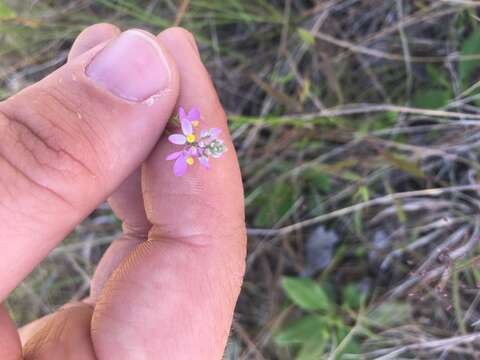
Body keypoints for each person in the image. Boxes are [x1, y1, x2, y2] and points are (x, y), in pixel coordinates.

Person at [0, 24, 246, 359]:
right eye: (192, 140)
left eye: (194, 141)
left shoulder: (188, 138)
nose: (192, 140)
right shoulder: (187, 140)